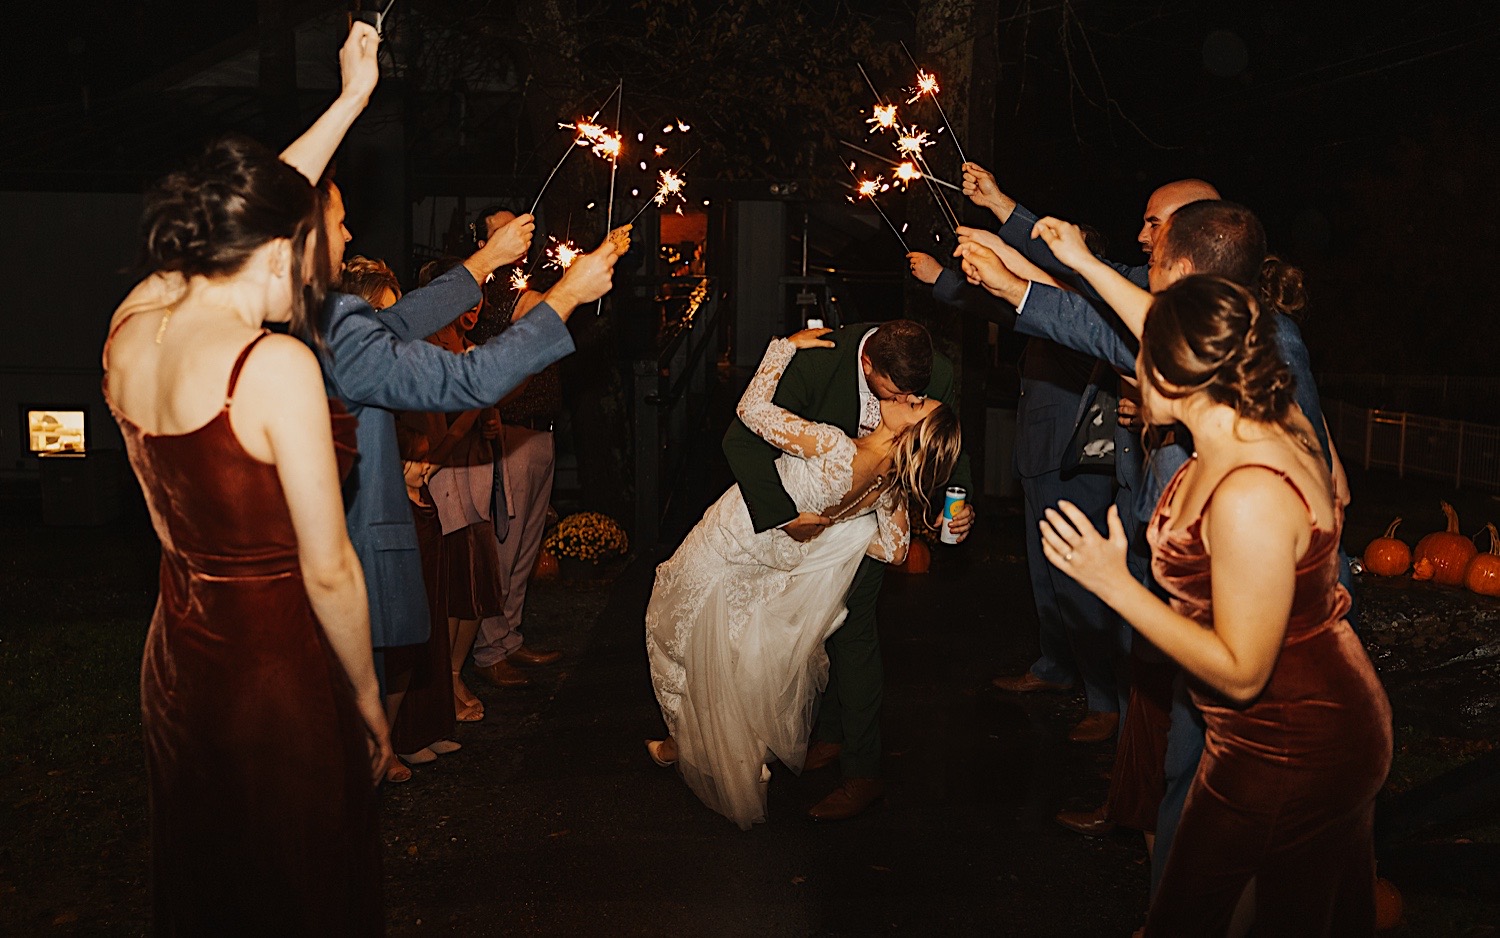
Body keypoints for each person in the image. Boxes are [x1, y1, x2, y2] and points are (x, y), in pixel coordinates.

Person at [1037, 275, 1391, 935]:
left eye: (1141, 355)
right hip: (1261, 728)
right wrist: (1074, 257)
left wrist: (1112, 584)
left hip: (1294, 737)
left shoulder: (1249, 492)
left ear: (1173, 376)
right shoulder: (1264, 418)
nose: (1129, 367)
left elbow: (1242, 670)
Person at [104, 130, 385, 931]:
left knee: (209, 880)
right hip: (270, 672)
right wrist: (366, 699)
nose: (309, 276)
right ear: (271, 247)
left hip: (176, 662)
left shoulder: (132, 333)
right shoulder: (270, 368)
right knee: (291, 883)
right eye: (303, 252)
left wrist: (350, 100)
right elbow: (329, 570)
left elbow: (245, 210)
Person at [647, 329, 963, 829]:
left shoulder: (835, 447)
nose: (910, 397)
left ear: (911, 432)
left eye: (917, 403)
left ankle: (686, 741)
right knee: (732, 653)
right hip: (778, 562)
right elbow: (895, 549)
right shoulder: (889, 489)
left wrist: (783, 346)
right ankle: (691, 742)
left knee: (674, 622)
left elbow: (751, 412)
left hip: (735, 537)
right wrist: (844, 529)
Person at [912, 242, 1124, 744]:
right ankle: (1055, 666)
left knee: (1079, 584)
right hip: (1037, 460)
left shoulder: (1084, 320)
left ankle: (1105, 701)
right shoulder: (1062, 313)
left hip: (1073, 468)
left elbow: (1008, 311)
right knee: (1046, 577)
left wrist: (944, 279)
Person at [469, 206, 567, 689]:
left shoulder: (523, 278)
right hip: (509, 433)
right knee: (504, 548)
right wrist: (578, 282)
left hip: (540, 429)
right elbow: (538, 309)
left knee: (526, 547)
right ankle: (490, 651)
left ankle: (509, 637)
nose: (520, 233)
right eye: (505, 227)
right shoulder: (490, 288)